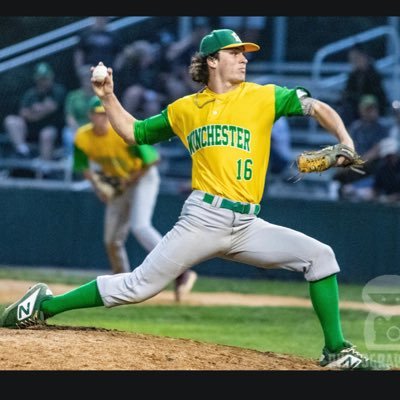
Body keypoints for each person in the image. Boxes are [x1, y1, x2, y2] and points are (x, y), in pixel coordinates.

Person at [0, 29, 389, 370]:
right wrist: (109, 96)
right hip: (204, 219)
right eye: (235, 53)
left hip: (248, 224)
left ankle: (336, 350)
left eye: (244, 53)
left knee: (321, 257)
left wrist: (345, 141)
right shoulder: (186, 108)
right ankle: (43, 305)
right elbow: (134, 133)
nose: (244, 58)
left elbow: (316, 107)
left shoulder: (263, 96)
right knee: (137, 287)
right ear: (212, 61)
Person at [72, 95, 197, 301]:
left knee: (140, 226)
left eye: (105, 114)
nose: (102, 118)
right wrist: (98, 188)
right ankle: (120, 281)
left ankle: (180, 271)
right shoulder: (83, 137)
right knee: (111, 239)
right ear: (90, 116)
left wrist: (128, 181)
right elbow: (83, 166)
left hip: (142, 178)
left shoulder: (120, 132)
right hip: (119, 182)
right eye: (98, 114)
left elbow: (152, 159)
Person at [3, 62, 67, 161]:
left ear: (51, 77)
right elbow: (23, 113)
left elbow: (51, 108)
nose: (43, 81)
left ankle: (45, 166)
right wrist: (40, 109)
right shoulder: (30, 94)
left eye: (45, 78)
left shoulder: (58, 90)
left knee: (46, 134)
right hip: (31, 129)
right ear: (36, 79)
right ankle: (23, 152)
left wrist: (34, 111)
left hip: (53, 129)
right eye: (41, 78)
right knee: (10, 121)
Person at [339, 44, 388, 126]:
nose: (354, 61)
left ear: (364, 57)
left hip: (371, 107)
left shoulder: (374, 75)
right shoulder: (353, 75)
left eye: (356, 58)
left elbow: (377, 96)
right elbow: (348, 92)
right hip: (356, 108)